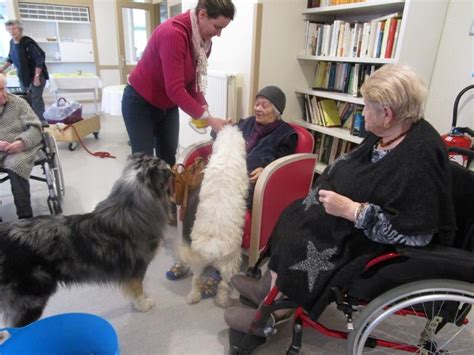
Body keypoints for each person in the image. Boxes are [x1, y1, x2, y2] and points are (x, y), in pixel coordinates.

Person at [224, 65, 456, 335]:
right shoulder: (389, 132)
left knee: (303, 240)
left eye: (367, 107)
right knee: (293, 214)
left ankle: (277, 313)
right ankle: (270, 288)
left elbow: (417, 234)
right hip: (342, 215)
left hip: (367, 239)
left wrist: (353, 210)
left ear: (388, 115)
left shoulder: (420, 155)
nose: (362, 113)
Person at [167, 86, 298, 299]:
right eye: (257, 103)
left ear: (277, 110)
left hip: (252, 183)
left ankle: (222, 268)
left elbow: (284, 162)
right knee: (195, 200)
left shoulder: (286, 134)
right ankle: (191, 255)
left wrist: (266, 168)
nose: (258, 108)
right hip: (223, 177)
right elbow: (218, 135)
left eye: (264, 105)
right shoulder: (246, 123)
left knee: (228, 213)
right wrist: (220, 127)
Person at [121, 0, 235, 167]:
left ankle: (166, 193)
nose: (219, 34)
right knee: (143, 165)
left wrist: (204, 108)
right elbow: (175, 89)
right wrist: (210, 120)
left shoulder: (203, 44)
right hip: (140, 102)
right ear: (202, 14)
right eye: (217, 27)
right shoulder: (173, 33)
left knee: (168, 157)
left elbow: (192, 83)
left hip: (167, 105)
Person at [0, 74, 44, 219]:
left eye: (2, 89)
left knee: (15, 164)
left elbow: (36, 128)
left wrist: (22, 142)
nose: (2, 94)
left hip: (21, 148)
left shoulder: (18, 103)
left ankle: (25, 218)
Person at [0, 20, 49, 121]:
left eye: (14, 28)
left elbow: (39, 60)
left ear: (20, 30)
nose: (12, 31)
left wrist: (36, 77)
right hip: (23, 77)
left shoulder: (28, 43)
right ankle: (30, 121)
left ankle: (42, 122)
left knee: (36, 100)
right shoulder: (12, 42)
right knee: (26, 99)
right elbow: (11, 58)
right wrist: (2, 69)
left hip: (36, 75)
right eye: (9, 29)